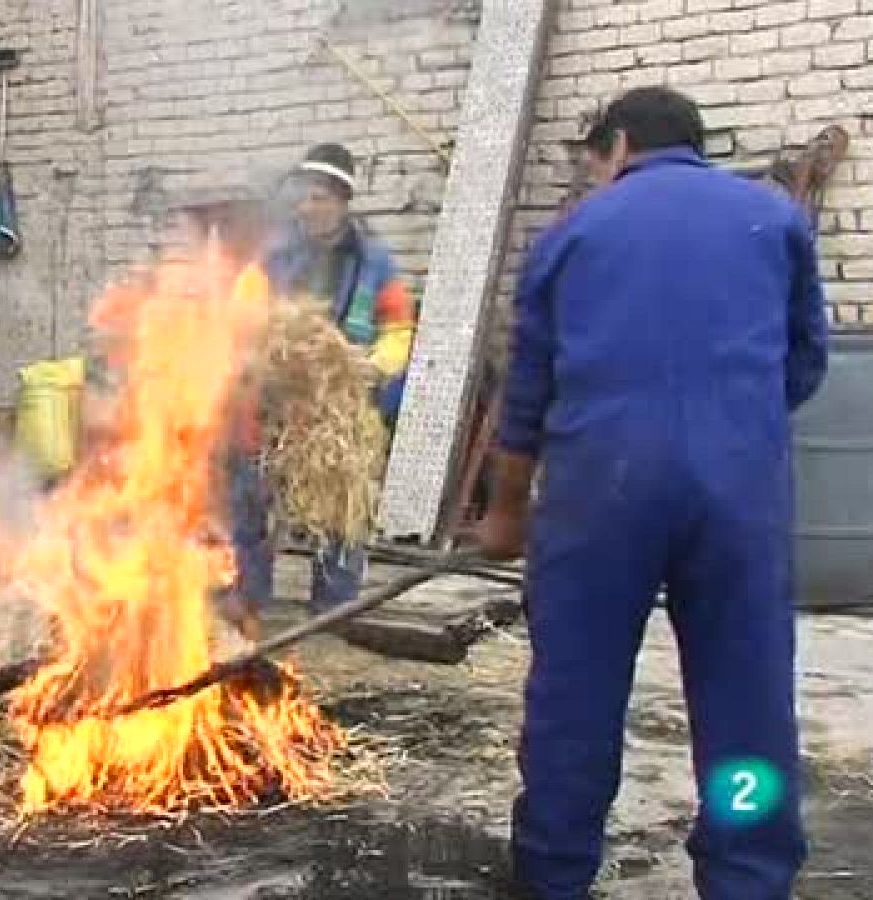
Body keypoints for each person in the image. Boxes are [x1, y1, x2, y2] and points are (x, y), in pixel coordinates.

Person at [476, 87, 827, 899]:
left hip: (602, 493)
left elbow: (526, 398)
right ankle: (747, 873)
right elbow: (805, 359)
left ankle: (555, 873)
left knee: (577, 694)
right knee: (746, 701)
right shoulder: (772, 218)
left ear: (619, 144)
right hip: (737, 495)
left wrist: (505, 516)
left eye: (595, 161)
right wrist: (730, 423)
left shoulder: (570, 235)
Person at [226, 143, 418, 626]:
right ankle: (249, 600)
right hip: (274, 402)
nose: (306, 208)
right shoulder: (273, 258)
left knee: (340, 508)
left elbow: (397, 328)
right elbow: (242, 313)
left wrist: (373, 365)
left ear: (341, 199)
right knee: (250, 500)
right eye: (302, 198)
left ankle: (333, 611)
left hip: (339, 409)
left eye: (317, 198)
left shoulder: (375, 263)